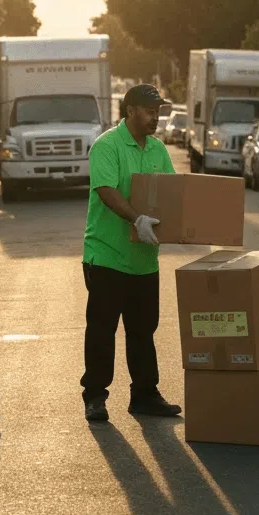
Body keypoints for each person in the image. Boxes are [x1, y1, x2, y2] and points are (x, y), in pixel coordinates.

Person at [79, 83, 182, 423]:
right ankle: (95, 396)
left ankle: (144, 395)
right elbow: (106, 190)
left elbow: (170, 193)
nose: (156, 118)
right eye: (150, 111)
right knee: (102, 331)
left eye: (158, 112)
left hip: (143, 260)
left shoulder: (157, 150)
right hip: (107, 255)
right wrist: (136, 218)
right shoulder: (107, 146)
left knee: (143, 330)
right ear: (131, 111)